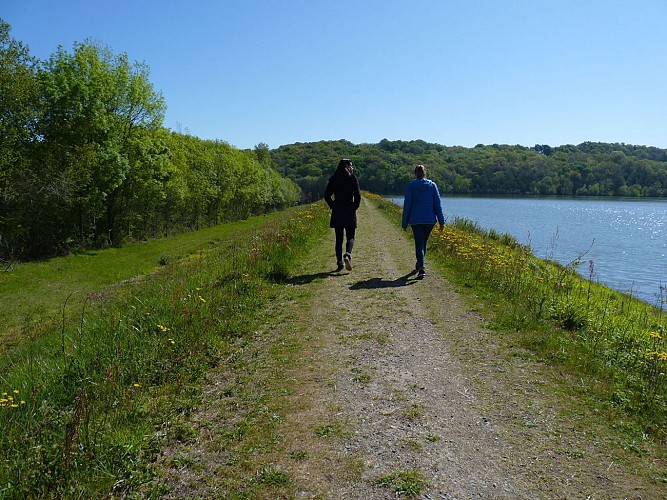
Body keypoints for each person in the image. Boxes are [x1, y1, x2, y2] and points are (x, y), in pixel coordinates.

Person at [401, 164, 444, 278]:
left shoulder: (411, 186)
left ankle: (421, 267)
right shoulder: (432, 185)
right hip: (429, 219)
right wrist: (441, 221)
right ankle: (420, 264)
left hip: (416, 220)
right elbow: (437, 204)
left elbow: (407, 205)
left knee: (419, 243)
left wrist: (404, 223)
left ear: (415, 173)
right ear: (425, 173)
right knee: (423, 242)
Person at [324, 159, 361, 271]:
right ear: (348, 166)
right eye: (351, 166)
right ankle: (347, 255)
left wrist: (333, 205)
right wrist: (354, 207)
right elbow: (358, 196)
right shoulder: (352, 178)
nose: (352, 168)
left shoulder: (333, 179)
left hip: (337, 210)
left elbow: (326, 195)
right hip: (349, 209)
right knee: (350, 236)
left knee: (338, 238)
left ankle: (340, 263)